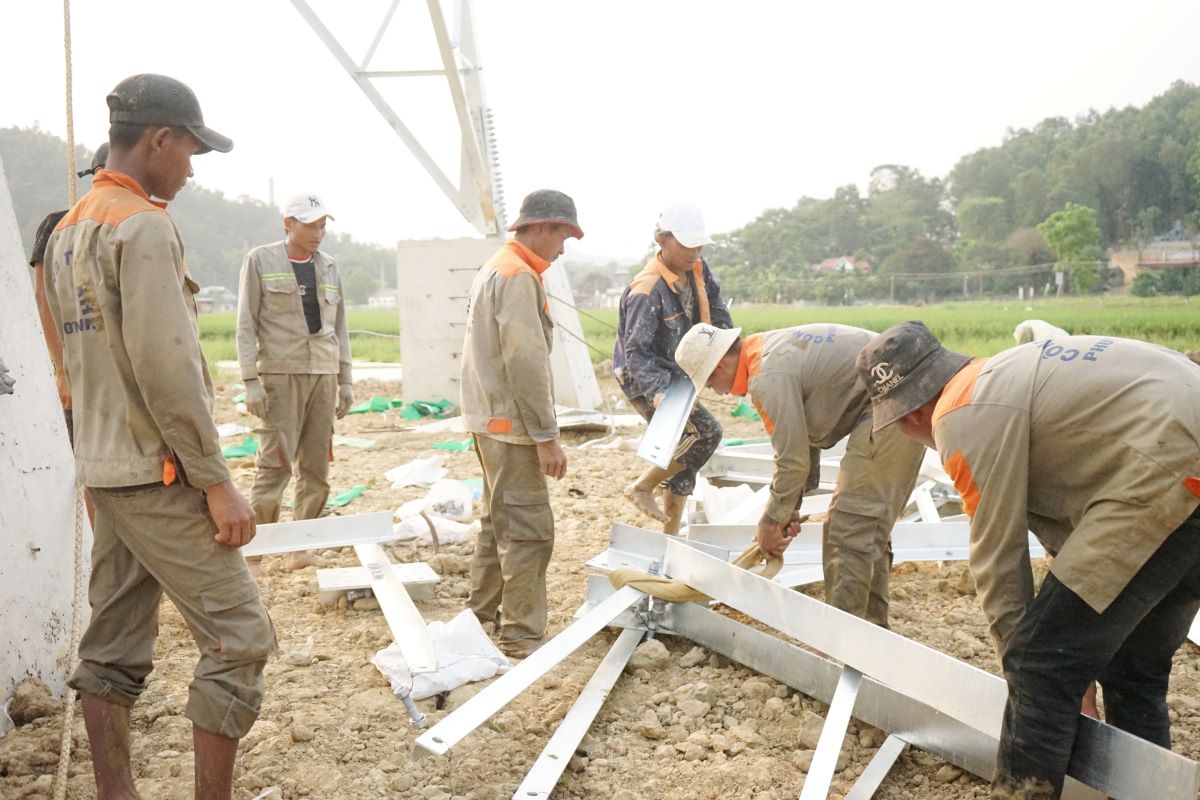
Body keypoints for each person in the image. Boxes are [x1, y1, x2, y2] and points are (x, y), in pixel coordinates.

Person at [43, 74, 274, 800]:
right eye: (191, 149)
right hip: (157, 471)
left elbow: (74, 362)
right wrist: (217, 482)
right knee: (240, 636)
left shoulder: (69, 225)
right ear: (159, 140)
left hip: (106, 468)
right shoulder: (140, 224)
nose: (192, 167)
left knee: (112, 644)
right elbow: (167, 371)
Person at [856, 321, 1200, 799]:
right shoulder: (1012, 375)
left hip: (1167, 467)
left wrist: (1030, 666)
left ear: (908, 415)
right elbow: (1083, 532)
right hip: (1177, 466)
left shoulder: (959, 413)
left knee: (1040, 660)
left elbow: (999, 557)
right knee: (1131, 663)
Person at [674, 322, 924, 626]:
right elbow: (805, 439)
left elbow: (792, 459)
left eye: (712, 384)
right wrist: (788, 509)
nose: (719, 393)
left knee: (852, 523)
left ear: (721, 364)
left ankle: (847, 638)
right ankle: (869, 630)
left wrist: (770, 521)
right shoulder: (766, 351)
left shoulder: (767, 376)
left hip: (894, 398)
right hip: (894, 393)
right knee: (861, 526)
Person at [459, 189, 580, 660]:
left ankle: (479, 615)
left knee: (498, 520)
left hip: (487, 416)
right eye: (564, 236)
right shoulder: (518, 275)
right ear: (544, 227)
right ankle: (520, 636)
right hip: (509, 422)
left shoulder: (497, 265)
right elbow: (525, 361)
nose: (564, 248)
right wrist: (547, 437)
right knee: (529, 530)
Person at [236, 192, 353, 573]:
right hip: (280, 376)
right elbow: (245, 324)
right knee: (275, 464)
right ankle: (255, 550)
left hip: (322, 374)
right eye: (311, 225)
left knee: (316, 467)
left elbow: (341, 329)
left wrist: (346, 381)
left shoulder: (331, 266)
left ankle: (302, 547)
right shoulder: (260, 261)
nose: (318, 233)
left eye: (322, 225)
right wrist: (251, 379)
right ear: (289, 224)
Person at [614, 204, 733, 534]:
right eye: (686, 244)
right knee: (706, 434)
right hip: (645, 374)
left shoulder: (699, 270)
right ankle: (642, 485)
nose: (694, 251)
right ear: (662, 241)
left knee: (687, 449)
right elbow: (637, 352)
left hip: (682, 366)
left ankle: (671, 536)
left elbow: (719, 315)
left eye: (698, 244)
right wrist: (659, 393)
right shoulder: (646, 290)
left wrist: (728, 354)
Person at [28, 143, 108, 445]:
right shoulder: (57, 224)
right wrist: (62, 370)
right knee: (87, 460)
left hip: (118, 373)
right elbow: (43, 298)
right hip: (79, 368)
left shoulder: (131, 224)